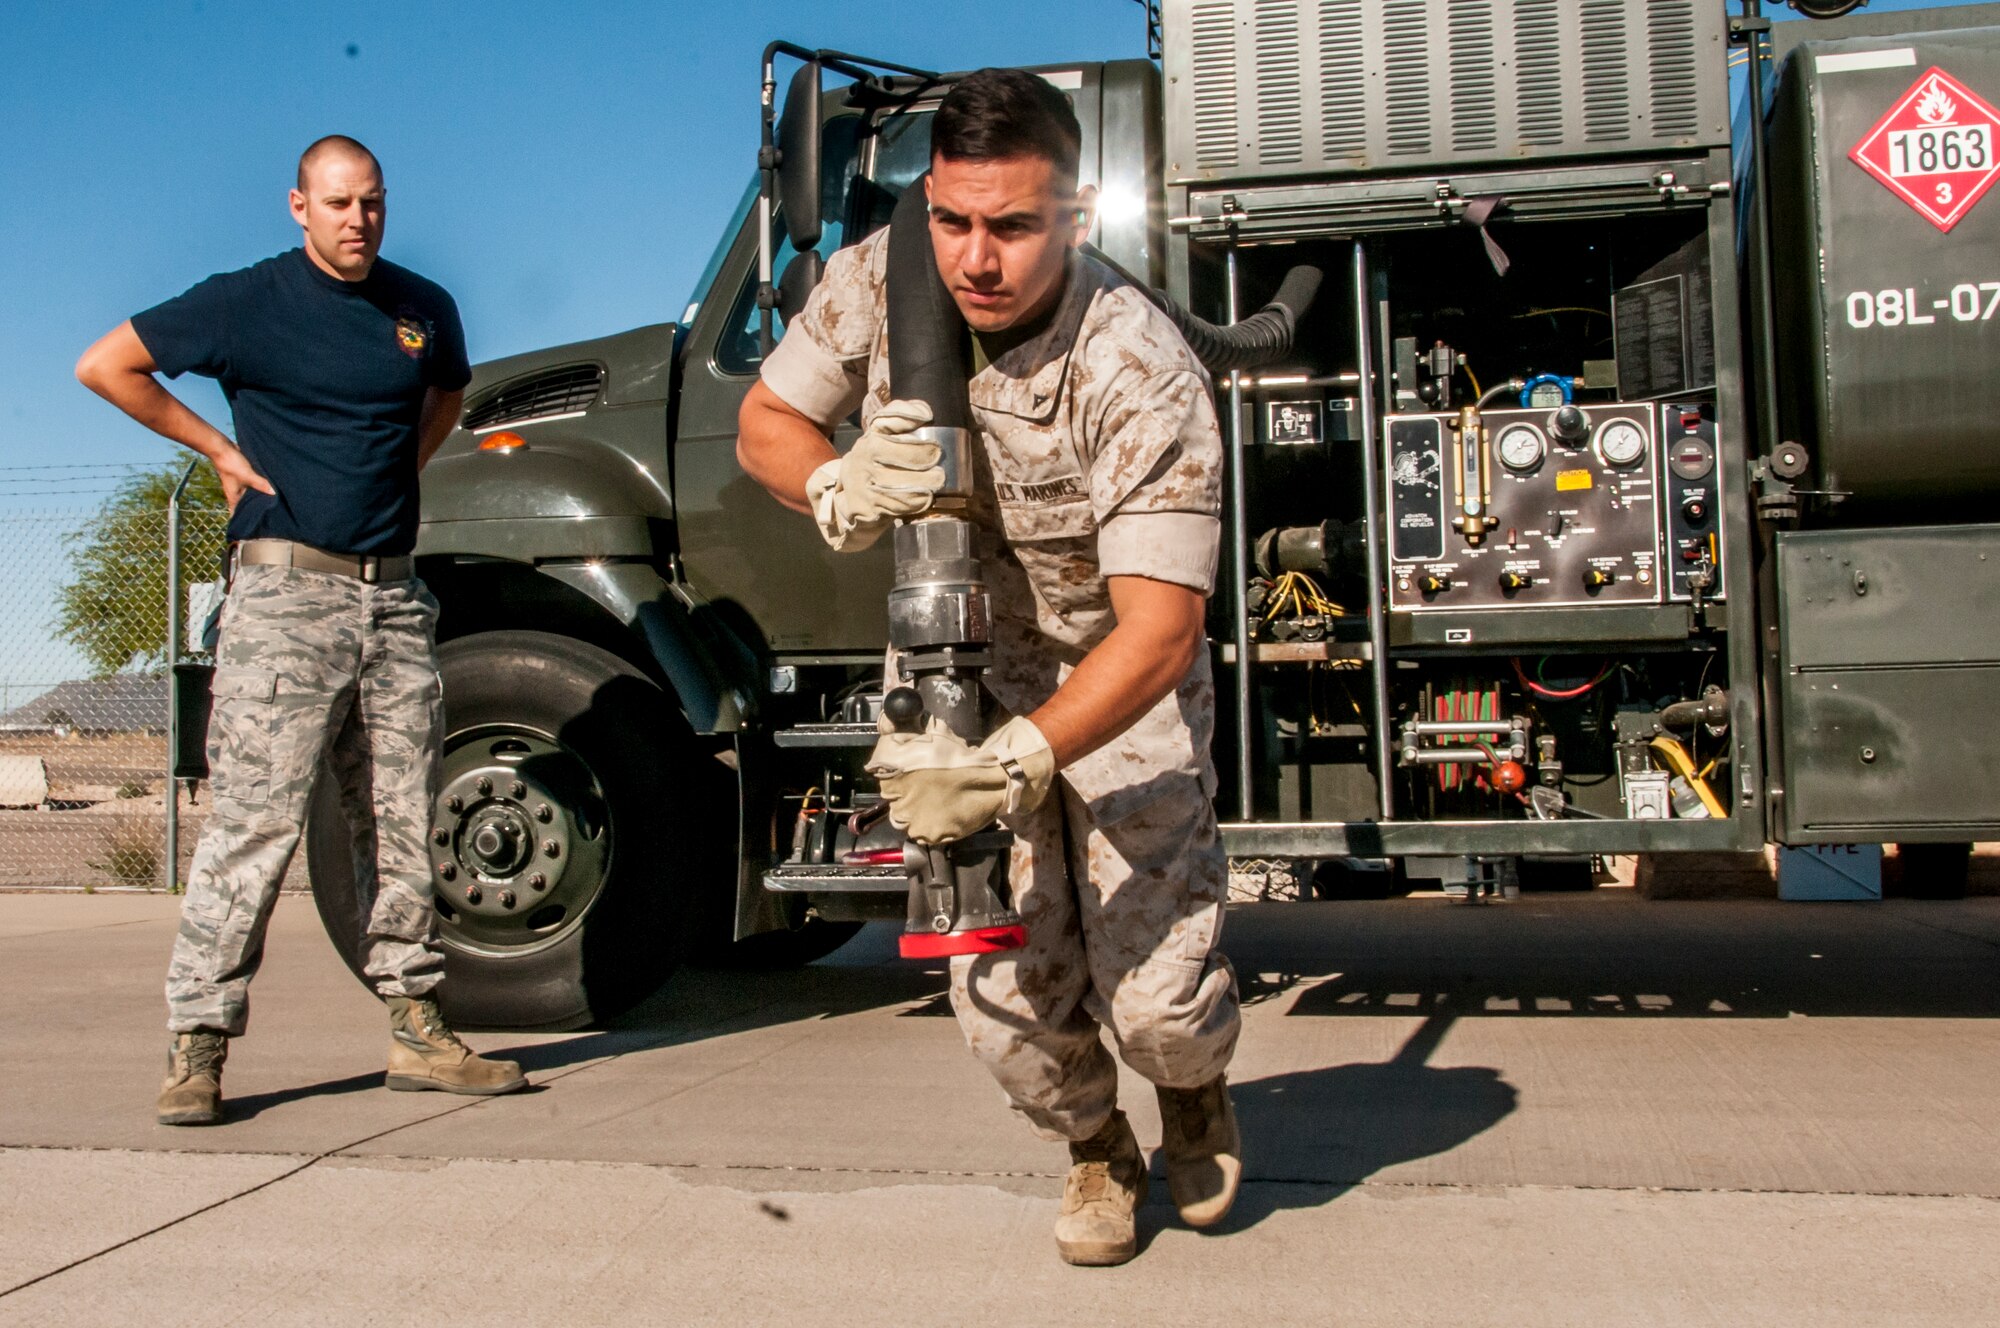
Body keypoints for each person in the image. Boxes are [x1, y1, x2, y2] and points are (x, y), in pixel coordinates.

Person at [737, 70, 1241, 1266]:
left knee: (1159, 996)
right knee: (996, 986)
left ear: (1074, 216)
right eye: (953, 219)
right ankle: (1094, 1147)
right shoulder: (877, 276)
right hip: (958, 677)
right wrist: (832, 478)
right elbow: (767, 418)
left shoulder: (1136, 359)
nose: (974, 257)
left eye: (1012, 226)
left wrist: (1027, 756)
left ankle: (1188, 1088)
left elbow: (1160, 629)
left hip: (1117, 685)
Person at [76, 135, 526, 1126]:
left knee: (404, 820)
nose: (357, 219)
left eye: (371, 202)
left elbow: (445, 390)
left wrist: (403, 466)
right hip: (286, 599)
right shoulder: (244, 303)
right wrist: (217, 450)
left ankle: (416, 1026)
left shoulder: (421, 309)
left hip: (395, 601)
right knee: (255, 827)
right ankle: (197, 1044)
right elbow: (107, 364)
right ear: (297, 207)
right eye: (337, 203)